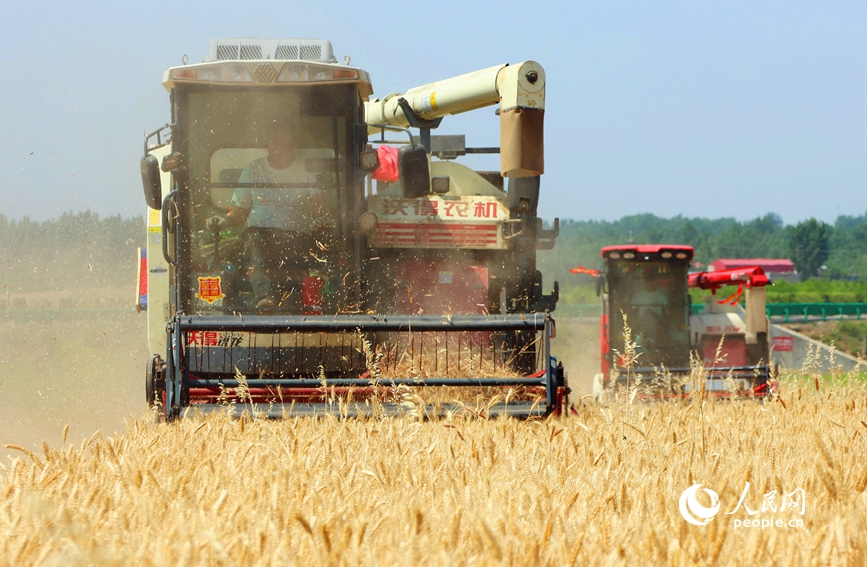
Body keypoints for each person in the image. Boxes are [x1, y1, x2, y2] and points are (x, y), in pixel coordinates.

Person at [209, 120, 335, 312]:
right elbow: (239, 212)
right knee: (255, 242)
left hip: (297, 234)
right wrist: (224, 222)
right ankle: (265, 299)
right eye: (274, 141)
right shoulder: (253, 169)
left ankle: (295, 307)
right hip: (259, 233)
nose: (279, 146)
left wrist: (322, 217)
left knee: (293, 252)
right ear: (268, 144)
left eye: (284, 141)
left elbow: (319, 200)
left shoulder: (307, 168)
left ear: (293, 143)